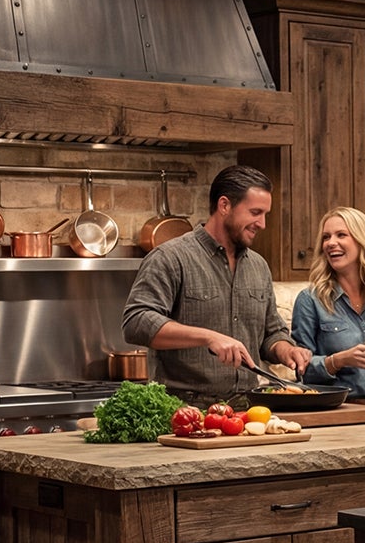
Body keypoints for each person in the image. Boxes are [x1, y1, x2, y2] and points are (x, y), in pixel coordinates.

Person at [124, 165, 311, 403]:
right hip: (184, 410)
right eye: (255, 212)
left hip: (249, 410)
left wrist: (287, 350)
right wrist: (208, 337)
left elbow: (271, 333)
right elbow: (136, 322)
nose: (262, 224)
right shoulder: (170, 258)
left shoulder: (259, 266)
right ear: (224, 206)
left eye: (265, 214)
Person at [291, 206, 365, 398]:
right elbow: (302, 369)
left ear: (363, 241)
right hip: (340, 409)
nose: (331, 243)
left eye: (341, 235)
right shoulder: (310, 300)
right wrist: (340, 360)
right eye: (326, 237)